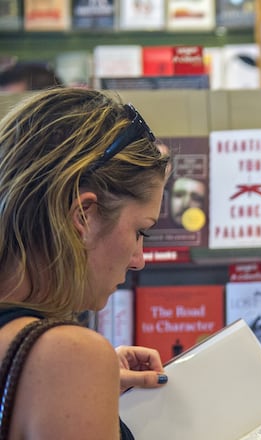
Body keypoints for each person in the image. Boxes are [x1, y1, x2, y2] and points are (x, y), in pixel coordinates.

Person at [0, 87, 172, 439]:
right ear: (83, 215)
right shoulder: (67, 356)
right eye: (141, 231)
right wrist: (77, 373)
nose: (138, 260)